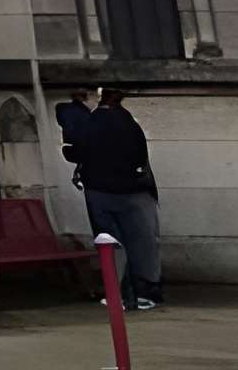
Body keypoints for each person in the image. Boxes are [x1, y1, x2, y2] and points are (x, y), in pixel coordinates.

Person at [56, 86, 162, 310]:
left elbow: (75, 151)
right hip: (136, 191)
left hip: (101, 191)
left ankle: (120, 294)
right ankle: (146, 292)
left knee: (111, 244)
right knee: (141, 243)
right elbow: (139, 156)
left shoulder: (88, 123)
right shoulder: (130, 124)